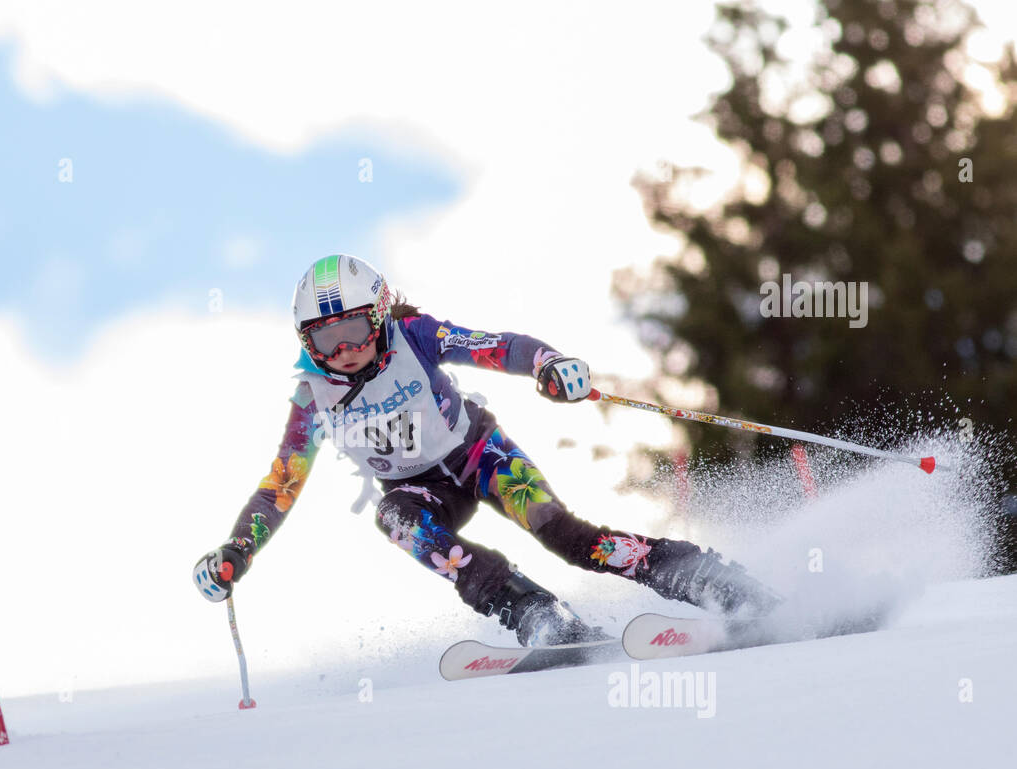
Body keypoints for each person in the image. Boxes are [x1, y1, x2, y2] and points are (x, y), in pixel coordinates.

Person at [193, 254, 778, 647]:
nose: (342, 350)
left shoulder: (414, 337)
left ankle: (713, 582)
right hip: (421, 489)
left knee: (567, 537)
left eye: (352, 330)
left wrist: (548, 364)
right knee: (395, 518)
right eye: (324, 338)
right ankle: (531, 611)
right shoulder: (313, 397)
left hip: (481, 456)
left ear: (379, 316)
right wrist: (238, 550)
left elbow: (497, 346)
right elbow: (280, 486)